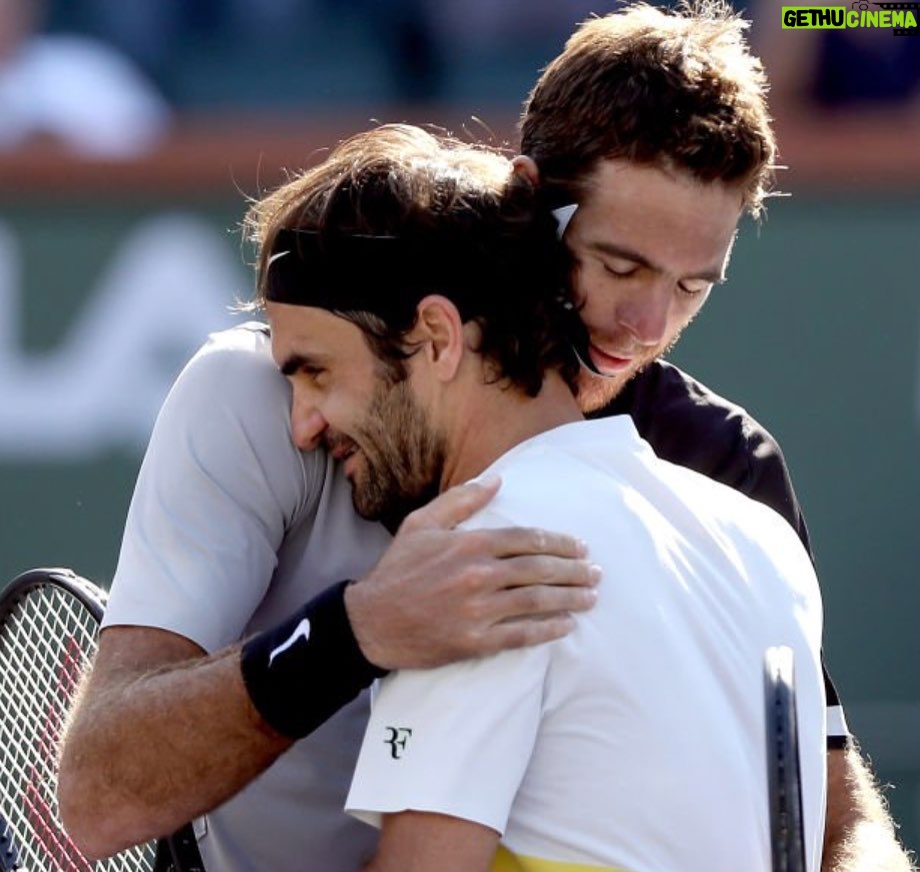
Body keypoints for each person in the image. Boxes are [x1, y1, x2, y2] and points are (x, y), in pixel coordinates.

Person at [57, 2, 913, 870]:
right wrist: (356, 632)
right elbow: (98, 797)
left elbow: (837, 825)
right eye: (619, 265)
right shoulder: (257, 398)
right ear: (526, 207)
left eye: (693, 286)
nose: (648, 325)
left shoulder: (729, 474)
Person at [248, 121, 827, 871]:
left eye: (317, 372)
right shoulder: (762, 539)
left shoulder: (476, 563)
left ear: (436, 335)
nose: (301, 424)